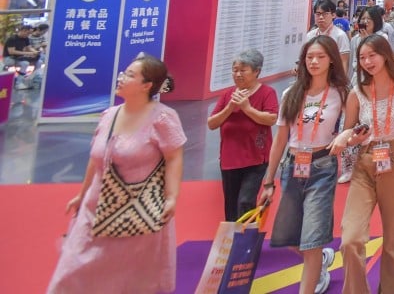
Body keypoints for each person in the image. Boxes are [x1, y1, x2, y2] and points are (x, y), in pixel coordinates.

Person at [47, 56, 184, 294]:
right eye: (124, 72)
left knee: (129, 281)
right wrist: (81, 194)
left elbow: (174, 158)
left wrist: (171, 197)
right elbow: (96, 158)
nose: (121, 77)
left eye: (130, 75)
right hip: (95, 207)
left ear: (147, 85)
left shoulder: (162, 117)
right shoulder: (109, 115)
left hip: (136, 211)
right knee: (69, 272)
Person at [329, 34, 394, 294]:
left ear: (385, 54)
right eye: (362, 58)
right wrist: (347, 138)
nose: (367, 62)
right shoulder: (357, 92)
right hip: (365, 162)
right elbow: (348, 131)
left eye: (372, 55)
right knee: (350, 239)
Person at [259, 36, 349, 294]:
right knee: (289, 236)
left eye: (320, 57)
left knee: (312, 240)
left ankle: (312, 274)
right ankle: (320, 260)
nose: (314, 62)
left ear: (331, 59)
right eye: (309, 57)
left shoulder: (341, 93)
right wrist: (268, 180)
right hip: (292, 167)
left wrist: (346, 137)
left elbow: (353, 126)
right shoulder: (291, 93)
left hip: (322, 167)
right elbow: (280, 140)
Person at [207, 48, 279, 220]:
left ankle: (247, 239)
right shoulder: (227, 95)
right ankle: (233, 240)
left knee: (246, 201)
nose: (238, 74)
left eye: (243, 70)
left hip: (255, 159)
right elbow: (212, 123)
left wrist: (247, 108)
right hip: (229, 159)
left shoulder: (267, 93)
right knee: (231, 206)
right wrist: (230, 108)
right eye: (235, 70)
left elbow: (270, 119)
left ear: (256, 71)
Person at [306, 0, 351, 77]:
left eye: (325, 14)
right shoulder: (310, 35)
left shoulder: (340, 35)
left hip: (333, 78)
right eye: (318, 14)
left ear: (333, 15)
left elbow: (344, 61)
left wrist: (341, 84)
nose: (320, 17)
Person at [4, 24, 39, 89]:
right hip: (9, 57)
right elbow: (11, 52)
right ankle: (17, 83)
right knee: (21, 63)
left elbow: (29, 47)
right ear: (23, 31)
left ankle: (28, 80)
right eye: (28, 33)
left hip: (19, 57)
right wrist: (28, 53)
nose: (28, 35)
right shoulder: (12, 39)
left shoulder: (26, 38)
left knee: (37, 62)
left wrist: (34, 52)